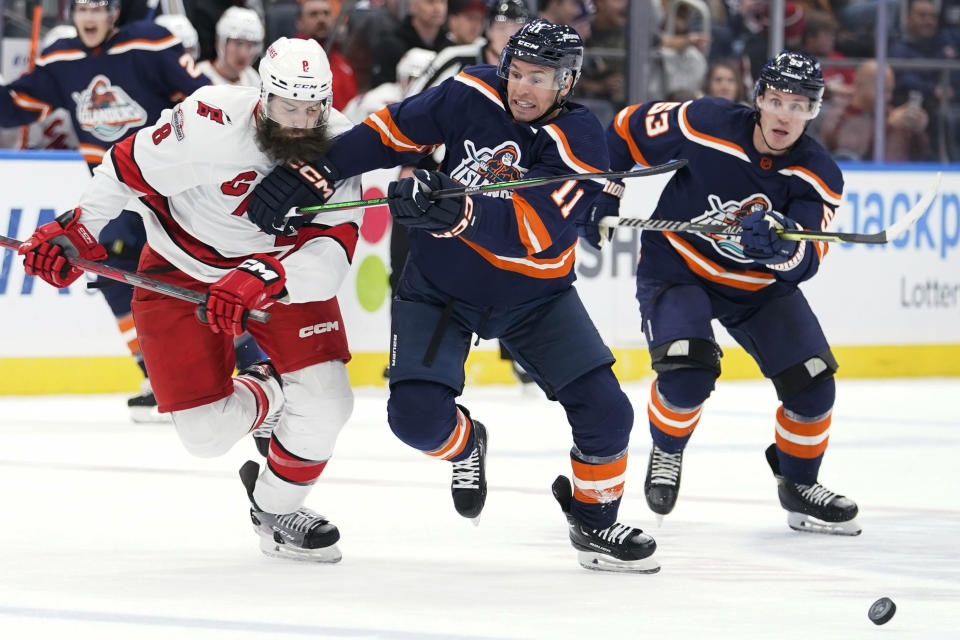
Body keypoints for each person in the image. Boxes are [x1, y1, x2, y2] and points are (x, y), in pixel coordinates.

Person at [245, 18, 659, 573]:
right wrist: (315, 171)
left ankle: (594, 523)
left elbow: (541, 233)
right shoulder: (471, 90)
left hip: (534, 296)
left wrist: (464, 210)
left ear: (567, 81)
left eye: (538, 77)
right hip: (438, 286)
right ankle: (467, 446)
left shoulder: (581, 139)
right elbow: (389, 131)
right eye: (515, 72)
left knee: (608, 414)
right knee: (414, 419)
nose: (521, 87)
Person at [17, 36, 362, 561]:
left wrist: (266, 276)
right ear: (264, 96)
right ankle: (269, 394)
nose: (299, 121)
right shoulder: (210, 119)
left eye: (312, 109)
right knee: (204, 436)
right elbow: (125, 165)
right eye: (289, 107)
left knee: (329, 402)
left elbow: (332, 253)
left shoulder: (343, 146)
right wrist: (78, 228)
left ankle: (275, 510)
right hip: (182, 267)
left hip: (277, 275)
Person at [582, 51, 861, 536]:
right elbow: (627, 128)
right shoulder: (705, 121)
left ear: (814, 111)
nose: (785, 116)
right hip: (679, 270)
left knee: (814, 385)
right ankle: (668, 449)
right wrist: (608, 189)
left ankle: (798, 485)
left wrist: (780, 249)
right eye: (776, 101)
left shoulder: (818, 173)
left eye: (799, 106)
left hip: (757, 288)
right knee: (688, 374)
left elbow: (807, 261)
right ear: (758, 98)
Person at [0, 0, 216, 421]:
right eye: (82, 9)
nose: (89, 17)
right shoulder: (62, 59)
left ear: (114, 13)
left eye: (98, 8)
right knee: (113, 270)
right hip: (111, 194)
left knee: (193, 271)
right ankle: (154, 372)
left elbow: (203, 98)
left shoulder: (149, 45)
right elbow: (13, 108)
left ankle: (241, 357)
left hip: (166, 188)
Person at [815, 59, 930, 162]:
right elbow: (853, 155)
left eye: (890, 91)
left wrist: (917, 130)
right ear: (860, 85)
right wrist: (888, 125)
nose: (888, 97)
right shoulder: (839, 116)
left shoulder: (891, 114)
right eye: (883, 90)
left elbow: (919, 155)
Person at [295, 0, 359, 110]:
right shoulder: (291, 60)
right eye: (313, 14)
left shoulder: (342, 63)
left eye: (326, 13)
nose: (321, 19)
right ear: (299, 22)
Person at [197, 6, 264, 87]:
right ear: (220, 43)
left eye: (250, 45)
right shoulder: (198, 76)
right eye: (238, 43)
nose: (244, 54)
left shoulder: (253, 79)